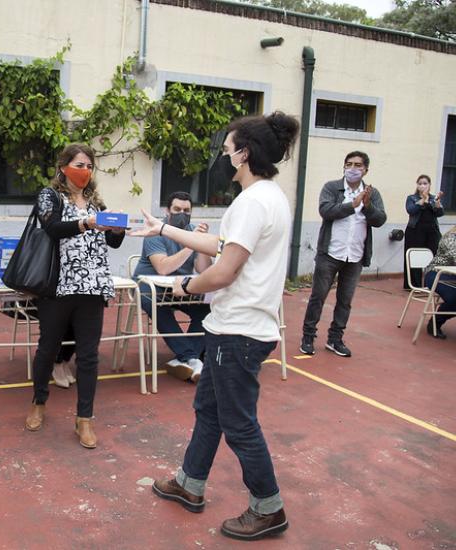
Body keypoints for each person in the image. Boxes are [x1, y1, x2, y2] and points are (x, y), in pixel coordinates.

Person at [131, 112, 299, 541]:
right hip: (235, 326)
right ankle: (190, 483)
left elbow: (223, 271)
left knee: (239, 424)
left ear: (243, 154)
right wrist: (163, 228)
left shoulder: (252, 202)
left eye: (226, 150)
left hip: (239, 331)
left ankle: (268, 508)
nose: (222, 158)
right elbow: (221, 245)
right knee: (208, 410)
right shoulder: (268, 196)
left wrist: (186, 285)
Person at [24, 143, 124, 449]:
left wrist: (116, 230)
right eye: (79, 165)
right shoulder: (50, 196)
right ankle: (39, 402)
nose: (85, 171)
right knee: (48, 348)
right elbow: (52, 228)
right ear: (63, 166)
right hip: (58, 286)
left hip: (92, 286)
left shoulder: (96, 201)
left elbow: (112, 243)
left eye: (89, 166)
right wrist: (85, 223)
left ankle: (85, 419)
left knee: (89, 355)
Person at [299, 151, 387, 357]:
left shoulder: (372, 194)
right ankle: (308, 337)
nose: (353, 169)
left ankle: (335, 339)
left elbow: (380, 219)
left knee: (345, 301)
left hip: (355, 256)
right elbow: (326, 210)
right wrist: (352, 205)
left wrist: (367, 206)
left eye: (358, 165)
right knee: (318, 297)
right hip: (330, 254)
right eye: (349, 164)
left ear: (366, 170)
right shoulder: (332, 188)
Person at [132, 191, 212, 382]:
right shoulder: (156, 232)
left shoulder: (193, 231)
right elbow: (163, 268)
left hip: (180, 287)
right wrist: (191, 244)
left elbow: (204, 269)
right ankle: (191, 357)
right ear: (167, 211)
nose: (182, 214)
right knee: (152, 301)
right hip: (149, 285)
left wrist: (201, 243)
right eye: (177, 209)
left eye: (186, 210)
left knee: (210, 307)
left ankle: (186, 359)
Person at [404, 175, 444, 289]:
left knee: (434, 257)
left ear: (429, 185)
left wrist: (437, 205)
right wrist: (423, 200)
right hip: (415, 231)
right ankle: (413, 285)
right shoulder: (411, 198)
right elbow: (411, 210)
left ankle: (431, 284)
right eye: (420, 183)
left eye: (425, 183)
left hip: (432, 231)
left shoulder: (434, 198)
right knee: (415, 257)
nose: (422, 186)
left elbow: (440, 213)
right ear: (417, 185)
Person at [422, 226, 456, 339]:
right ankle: (435, 323)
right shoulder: (450, 238)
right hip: (436, 274)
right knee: (454, 298)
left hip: (453, 276)